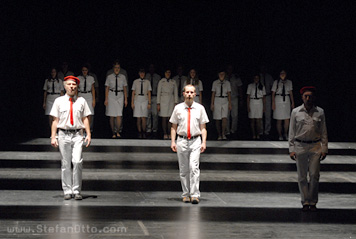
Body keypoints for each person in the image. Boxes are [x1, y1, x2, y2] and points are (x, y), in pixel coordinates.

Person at [50, 76, 91, 200]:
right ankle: (67, 190)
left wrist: (88, 134)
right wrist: (53, 136)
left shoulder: (82, 101)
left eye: (74, 84)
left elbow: (85, 118)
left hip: (78, 134)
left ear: (77, 86)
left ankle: (77, 190)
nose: (72, 86)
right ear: (65, 86)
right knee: (66, 163)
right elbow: (55, 120)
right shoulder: (58, 101)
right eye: (69, 84)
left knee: (77, 161)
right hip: (63, 134)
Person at [289, 86, 328, 212]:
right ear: (302, 97)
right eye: (306, 96)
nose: (308, 98)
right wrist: (291, 148)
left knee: (314, 174)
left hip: (315, 146)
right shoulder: (296, 112)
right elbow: (291, 131)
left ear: (313, 97)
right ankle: (305, 201)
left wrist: (324, 148)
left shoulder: (320, 112)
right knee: (302, 176)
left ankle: (313, 201)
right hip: (300, 145)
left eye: (310, 96)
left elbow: (324, 131)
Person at [170, 84, 209, 204]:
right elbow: (173, 126)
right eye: (187, 92)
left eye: (192, 92)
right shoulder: (178, 108)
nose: (189, 94)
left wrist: (203, 142)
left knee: (194, 167)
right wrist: (173, 141)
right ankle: (185, 194)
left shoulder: (200, 108)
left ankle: (195, 194)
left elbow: (203, 127)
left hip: (195, 140)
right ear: (183, 94)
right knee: (183, 169)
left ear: (195, 94)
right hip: (181, 140)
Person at [104, 61, 128, 138]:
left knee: (119, 115)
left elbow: (125, 88)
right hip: (111, 95)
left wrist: (125, 99)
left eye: (118, 68)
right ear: (113, 68)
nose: (117, 69)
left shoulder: (123, 77)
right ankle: (113, 132)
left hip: (120, 95)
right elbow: (107, 88)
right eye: (115, 68)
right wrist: (106, 99)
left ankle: (117, 131)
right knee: (111, 115)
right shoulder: (109, 77)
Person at [271, 70, 295, 140]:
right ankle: (280, 135)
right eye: (281, 73)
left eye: (284, 73)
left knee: (287, 118)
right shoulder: (276, 82)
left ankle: (286, 133)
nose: (282, 74)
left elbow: (291, 93)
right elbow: (273, 93)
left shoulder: (289, 82)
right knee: (279, 119)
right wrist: (273, 103)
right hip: (278, 100)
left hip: (286, 100)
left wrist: (292, 102)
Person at [157, 69, 178, 139]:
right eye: (166, 72)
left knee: (170, 117)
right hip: (163, 100)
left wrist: (176, 102)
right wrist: (158, 103)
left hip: (171, 100)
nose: (168, 74)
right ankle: (165, 133)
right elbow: (158, 93)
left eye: (169, 72)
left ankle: (169, 133)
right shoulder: (161, 81)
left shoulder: (173, 82)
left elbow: (175, 92)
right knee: (164, 117)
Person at [211, 70, 232, 140]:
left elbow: (229, 94)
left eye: (223, 74)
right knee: (217, 118)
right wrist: (212, 103)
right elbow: (213, 93)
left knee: (224, 118)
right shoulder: (215, 83)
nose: (221, 75)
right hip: (217, 100)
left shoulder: (227, 83)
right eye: (220, 74)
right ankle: (219, 134)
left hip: (225, 100)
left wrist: (229, 103)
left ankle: (223, 133)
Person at [131, 68, 152, 138]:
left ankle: (144, 131)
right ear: (139, 73)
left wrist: (149, 102)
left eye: (143, 73)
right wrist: (132, 102)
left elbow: (149, 92)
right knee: (138, 117)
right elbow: (133, 92)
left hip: (145, 99)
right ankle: (139, 132)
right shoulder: (135, 81)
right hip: (137, 99)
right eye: (141, 73)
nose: (142, 74)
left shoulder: (147, 82)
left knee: (144, 117)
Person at [246, 74, 266, 139]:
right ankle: (253, 134)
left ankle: (258, 134)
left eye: (257, 78)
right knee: (252, 119)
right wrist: (248, 106)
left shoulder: (262, 86)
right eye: (255, 78)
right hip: (252, 101)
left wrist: (264, 107)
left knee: (258, 119)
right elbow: (248, 97)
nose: (256, 79)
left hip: (259, 102)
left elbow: (264, 97)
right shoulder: (250, 86)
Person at [226, 64, 243, 138]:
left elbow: (240, 88)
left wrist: (241, 99)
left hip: (234, 97)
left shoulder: (236, 77)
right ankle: (227, 130)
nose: (229, 70)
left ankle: (233, 130)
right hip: (225, 98)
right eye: (228, 69)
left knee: (234, 115)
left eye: (231, 69)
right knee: (226, 115)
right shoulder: (224, 77)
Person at [77, 65, 95, 131]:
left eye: (86, 70)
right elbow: (76, 89)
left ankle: (88, 129)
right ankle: (81, 129)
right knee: (81, 112)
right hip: (81, 94)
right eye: (83, 70)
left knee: (89, 113)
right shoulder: (78, 78)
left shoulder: (91, 78)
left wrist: (94, 100)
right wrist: (76, 97)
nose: (84, 72)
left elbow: (93, 89)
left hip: (88, 95)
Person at [146, 64, 161, 138]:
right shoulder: (146, 76)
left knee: (155, 114)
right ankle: (148, 129)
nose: (151, 69)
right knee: (148, 114)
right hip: (147, 97)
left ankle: (155, 130)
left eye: (153, 67)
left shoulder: (158, 77)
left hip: (155, 96)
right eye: (150, 67)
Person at [259, 64, 274, 137]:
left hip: (268, 96)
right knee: (260, 114)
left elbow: (272, 87)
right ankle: (261, 130)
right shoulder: (259, 76)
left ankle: (267, 131)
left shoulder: (269, 77)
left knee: (268, 114)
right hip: (260, 97)